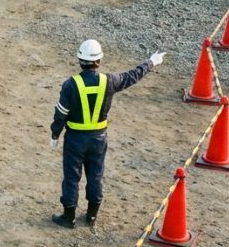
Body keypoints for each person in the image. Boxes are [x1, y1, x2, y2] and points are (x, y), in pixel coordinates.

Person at [49, 40, 165, 228]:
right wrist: (151, 62)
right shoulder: (109, 81)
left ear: (80, 60)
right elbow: (132, 76)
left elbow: (60, 114)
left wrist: (55, 134)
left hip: (75, 139)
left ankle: (68, 217)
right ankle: (91, 216)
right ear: (100, 60)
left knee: (71, 177)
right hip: (99, 139)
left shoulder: (71, 85)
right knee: (95, 176)